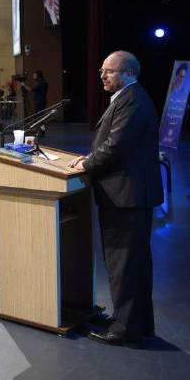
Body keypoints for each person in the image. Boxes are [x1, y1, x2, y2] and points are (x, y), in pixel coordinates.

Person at [68, 51, 162, 346]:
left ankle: (125, 330)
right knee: (131, 264)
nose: (102, 76)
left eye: (108, 71)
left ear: (129, 73)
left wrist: (87, 164)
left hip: (127, 197)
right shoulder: (128, 97)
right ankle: (135, 322)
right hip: (126, 195)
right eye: (101, 70)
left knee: (125, 265)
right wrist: (91, 158)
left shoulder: (133, 100)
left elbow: (116, 147)